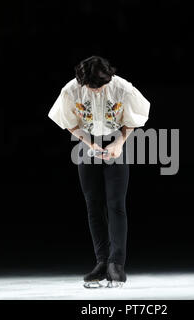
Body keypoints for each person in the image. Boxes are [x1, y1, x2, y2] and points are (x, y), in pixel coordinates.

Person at [48, 56, 150, 288]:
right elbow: (68, 121)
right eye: (90, 87)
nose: (95, 92)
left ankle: (117, 264)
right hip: (87, 143)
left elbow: (134, 118)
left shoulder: (122, 88)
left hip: (116, 139)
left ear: (108, 78)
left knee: (115, 204)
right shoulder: (71, 90)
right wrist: (88, 144)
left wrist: (119, 143)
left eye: (99, 87)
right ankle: (102, 261)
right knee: (93, 204)